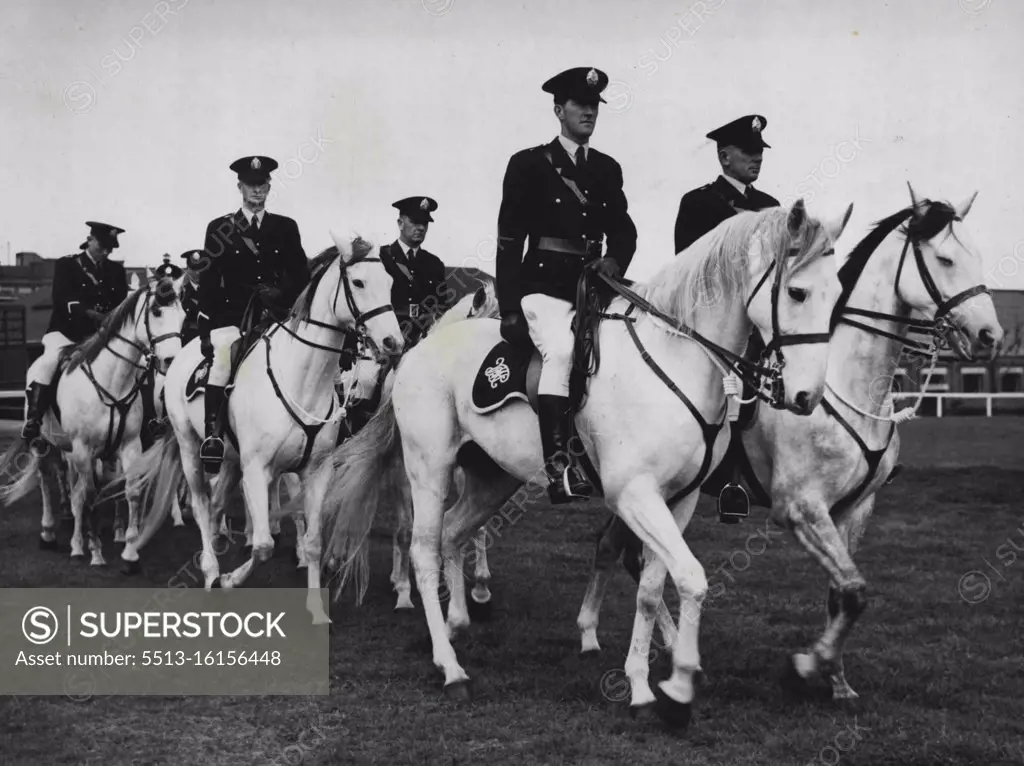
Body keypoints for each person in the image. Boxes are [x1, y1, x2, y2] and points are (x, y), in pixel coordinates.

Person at [495, 66, 637, 504]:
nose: (589, 113)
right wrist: (509, 308)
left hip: (593, 288)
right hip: (543, 286)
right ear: (559, 110)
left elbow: (625, 231)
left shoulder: (608, 169)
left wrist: (616, 258)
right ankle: (559, 468)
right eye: (580, 105)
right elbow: (508, 241)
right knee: (560, 352)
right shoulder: (528, 164)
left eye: (594, 106)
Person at [672, 115, 780, 521]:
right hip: (712, 322)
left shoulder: (770, 208)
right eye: (748, 152)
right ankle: (726, 480)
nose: (757, 159)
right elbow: (688, 267)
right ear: (724, 156)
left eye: (759, 152)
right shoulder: (699, 202)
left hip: (757, 323)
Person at [195, 155, 310, 472]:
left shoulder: (285, 227)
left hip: (276, 316)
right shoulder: (220, 228)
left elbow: (301, 275)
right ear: (240, 187)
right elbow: (207, 281)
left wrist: (281, 295)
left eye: (262, 185)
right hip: (232, 317)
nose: (257, 190)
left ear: (269, 187)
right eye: (251, 185)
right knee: (222, 359)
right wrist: (206, 325)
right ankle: (213, 436)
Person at [21, 222, 129, 441]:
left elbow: (120, 303)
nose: (106, 252)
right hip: (66, 332)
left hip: (101, 336)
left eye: (110, 249)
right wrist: (90, 314)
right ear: (90, 241)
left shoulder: (116, 270)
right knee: (49, 362)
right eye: (102, 247)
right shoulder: (67, 265)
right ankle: (35, 418)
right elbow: (62, 299)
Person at [379, 196, 455, 348]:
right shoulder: (380, 258)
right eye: (415, 222)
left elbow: (441, 307)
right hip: (387, 342)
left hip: (422, 345)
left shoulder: (434, 264)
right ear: (400, 223)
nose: (421, 228)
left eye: (425, 223)